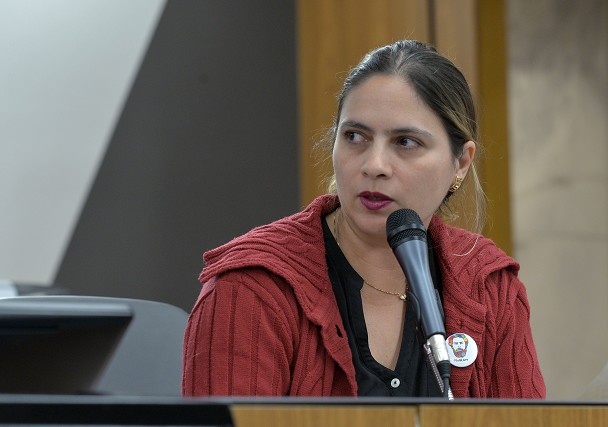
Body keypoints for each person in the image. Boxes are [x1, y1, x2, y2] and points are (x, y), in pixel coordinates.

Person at [182, 40, 546, 398]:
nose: (374, 165)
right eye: (356, 137)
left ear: (461, 163)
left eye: (405, 142)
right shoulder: (253, 287)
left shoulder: (490, 286)